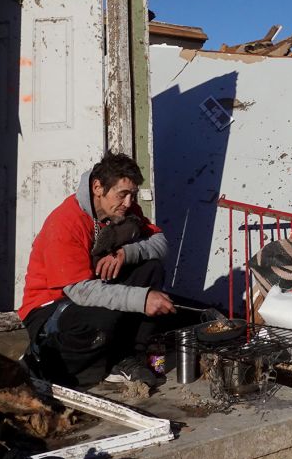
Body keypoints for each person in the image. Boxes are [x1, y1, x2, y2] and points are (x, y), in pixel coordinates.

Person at [17, 151, 175, 388]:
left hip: (92, 290)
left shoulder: (124, 212)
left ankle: (126, 357)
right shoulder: (65, 222)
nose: (129, 203)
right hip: (51, 306)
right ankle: (40, 360)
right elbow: (80, 291)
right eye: (122, 195)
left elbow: (161, 243)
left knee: (151, 268)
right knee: (104, 317)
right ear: (98, 187)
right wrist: (142, 299)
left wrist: (126, 253)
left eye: (132, 195)